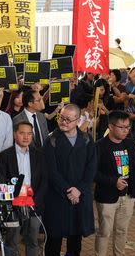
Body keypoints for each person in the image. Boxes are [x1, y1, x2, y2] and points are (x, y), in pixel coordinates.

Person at [43, 104, 97, 256]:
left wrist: (79, 190)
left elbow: (91, 167)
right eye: (61, 118)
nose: (63, 122)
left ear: (78, 121)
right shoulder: (51, 140)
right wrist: (69, 190)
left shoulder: (86, 139)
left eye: (68, 119)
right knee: (54, 240)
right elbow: (51, 171)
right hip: (58, 197)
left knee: (75, 240)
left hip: (79, 197)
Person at [94, 111, 135, 256]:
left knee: (122, 231)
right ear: (111, 126)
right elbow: (93, 173)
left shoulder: (129, 143)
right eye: (122, 127)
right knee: (104, 232)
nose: (126, 130)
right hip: (107, 196)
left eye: (128, 127)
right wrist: (113, 182)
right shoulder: (99, 146)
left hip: (127, 196)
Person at [0, 121, 47, 256]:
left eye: (29, 134)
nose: (26, 137)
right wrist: (14, 201)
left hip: (34, 204)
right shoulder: (5, 156)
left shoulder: (40, 155)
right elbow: (3, 180)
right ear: (14, 134)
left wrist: (35, 201)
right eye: (22, 133)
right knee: (11, 240)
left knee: (33, 239)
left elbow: (44, 181)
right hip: (14, 205)